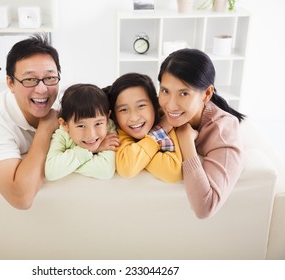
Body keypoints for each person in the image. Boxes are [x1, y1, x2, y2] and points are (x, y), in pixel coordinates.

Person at [0, 34, 61, 209]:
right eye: (29, 80)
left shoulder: (62, 98)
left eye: (50, 78)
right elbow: (21, 198)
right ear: (10, 83)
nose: (42, 89)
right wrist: (45, 128)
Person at [157, 48, 246, 219]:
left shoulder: (223, 132)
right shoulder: (163, 108)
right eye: (165, 90)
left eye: (184, 93)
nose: (170, 105)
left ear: (206, 94)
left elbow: (204, 207)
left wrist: (186, 142)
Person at [105, 72, 183, 183]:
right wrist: (161, 131)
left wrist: (140, 155)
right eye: (123, 110)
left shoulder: (170, 122)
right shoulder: (120, 132)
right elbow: (127, 168)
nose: (134, 118)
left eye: (141, 106)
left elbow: (174, 171)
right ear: (115, 115)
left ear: (156, 105)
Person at [45, 84, 119, 181]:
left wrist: (67, 166)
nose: (91, 135)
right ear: (64, 124)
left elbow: (105, 170)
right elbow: (52, 171)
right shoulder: (62, 134)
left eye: (98, 124)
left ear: (107, 117)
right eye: (81, 126)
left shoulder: (108, 126)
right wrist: (91, 150)